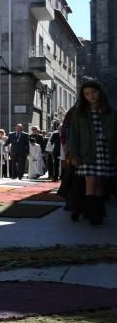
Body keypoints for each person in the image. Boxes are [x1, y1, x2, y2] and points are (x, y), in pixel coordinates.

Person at [68, 79, 116, 225]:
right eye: (87, 93)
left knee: (101, 183)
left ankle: (99, 211)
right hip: (87, 152)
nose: (91, 96)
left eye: (94, 92)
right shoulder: (79, 113)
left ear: (100, 92)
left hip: (106, 151)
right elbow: (74, 135)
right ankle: (92, 214)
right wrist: (74, 155)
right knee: (91, 183)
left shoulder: (111, 112)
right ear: (84, 96)